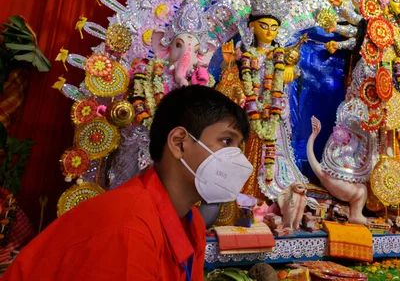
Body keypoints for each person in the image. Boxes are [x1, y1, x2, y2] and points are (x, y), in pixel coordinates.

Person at [4, 85, 252, 280]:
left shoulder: (192, 221)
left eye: (238, 147)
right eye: (226, 141)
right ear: (179, 143)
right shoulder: (128, 228)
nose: (237, 159)